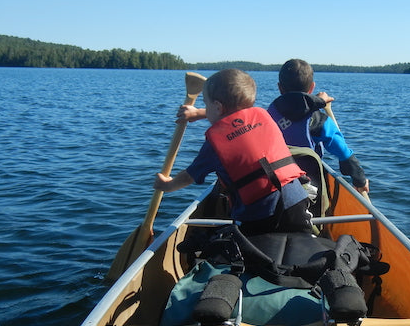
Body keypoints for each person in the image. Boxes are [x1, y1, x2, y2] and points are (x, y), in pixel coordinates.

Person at [154, 69, 312, 236]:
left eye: (206, 105)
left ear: (217, 107)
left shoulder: (214, 145)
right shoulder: (264, 116)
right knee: (300, 243)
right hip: (297, 198)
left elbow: (188, 176)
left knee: (258, 257)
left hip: (259, 215)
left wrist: (167, 185)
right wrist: (199, 113)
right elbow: (236, 117)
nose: (206, 110)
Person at [267, 59, 369, 196]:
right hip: (310, 188)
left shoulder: (269, 114)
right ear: (312, 88)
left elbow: (294, 105)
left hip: (276, 185)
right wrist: (360, 181)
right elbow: (344, 154)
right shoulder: (318, 120)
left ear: (279, 87)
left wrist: (317, 102)